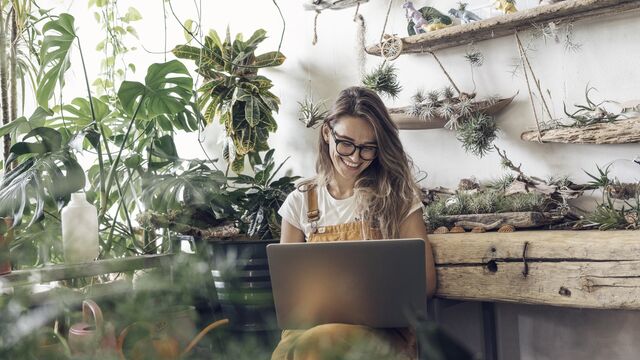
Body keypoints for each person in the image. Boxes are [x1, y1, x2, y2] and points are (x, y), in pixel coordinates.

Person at [272, 86, 437, 360]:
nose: (354, 157)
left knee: (316, 346)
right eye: (346, 143)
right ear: (327, 133)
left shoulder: (398, 198)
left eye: (368, 148)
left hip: (381, 333)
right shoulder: (300, 201)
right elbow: (288, 294)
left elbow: (426, 283)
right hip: (308, 332)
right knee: (309, 344)